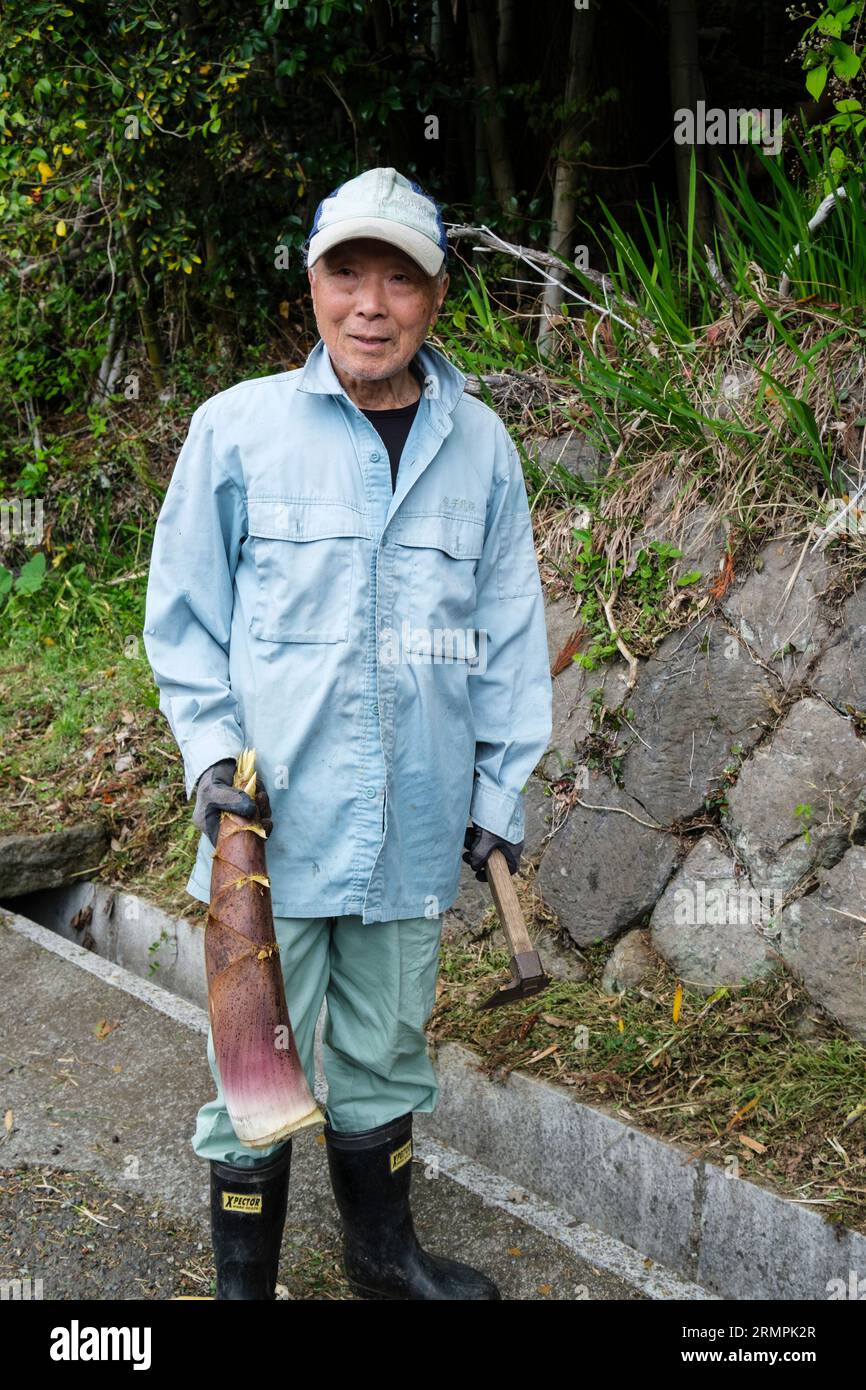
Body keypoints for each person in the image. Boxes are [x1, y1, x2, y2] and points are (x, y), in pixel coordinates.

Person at [143, 166, 552, 1300]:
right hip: (264, 837)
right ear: (311, 282)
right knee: (252, 1073)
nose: (369, 304)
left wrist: (496, 797)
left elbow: (509, 638)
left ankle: (383, 1259)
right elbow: (183, 623)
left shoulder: (482, 449)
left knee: (384, 1054)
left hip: (413, 824)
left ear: (435, 295)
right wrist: (209, 759)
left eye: (399, 278)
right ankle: (244, 1287)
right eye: (346, 273)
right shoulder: (237, 432)